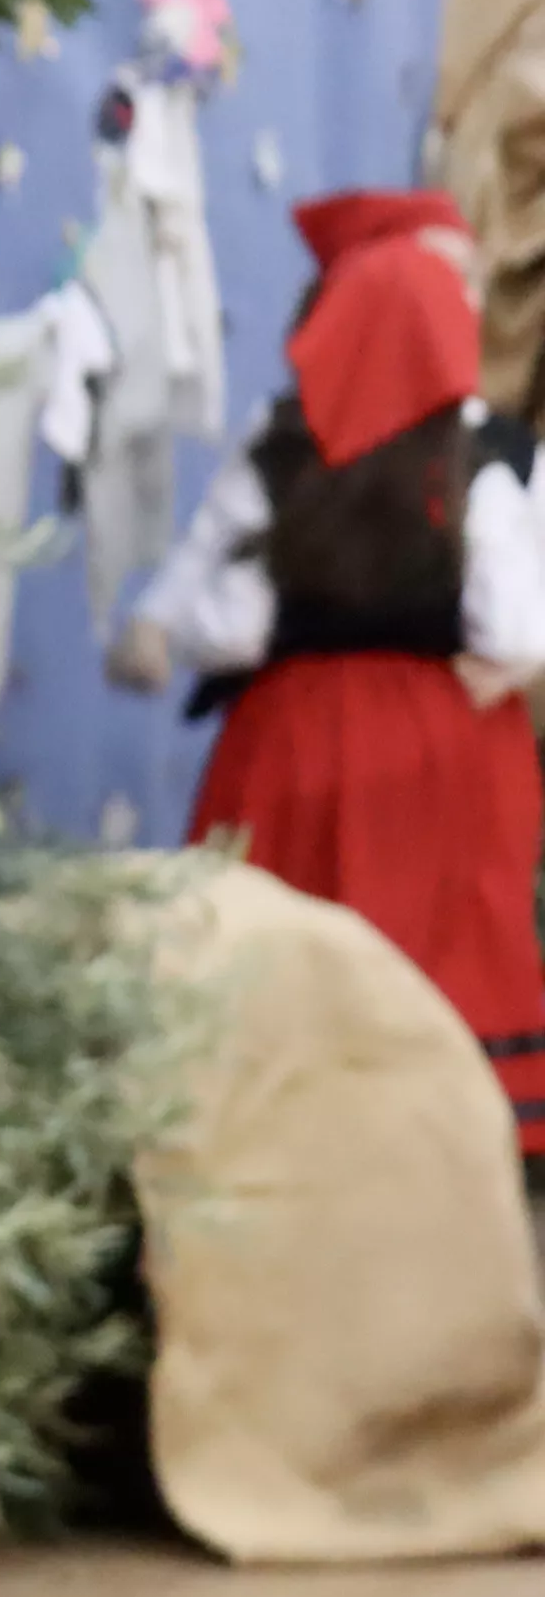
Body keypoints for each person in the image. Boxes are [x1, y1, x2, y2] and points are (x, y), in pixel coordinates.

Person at [115, 187, 545, 1177]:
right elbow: (513, 628)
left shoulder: (283, 449)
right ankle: (438, 1182)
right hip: (443, 743)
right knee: (436, 960)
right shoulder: (475, 454)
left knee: (276, 962)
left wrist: (166, 632)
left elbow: (221, 622)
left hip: (292, 739)